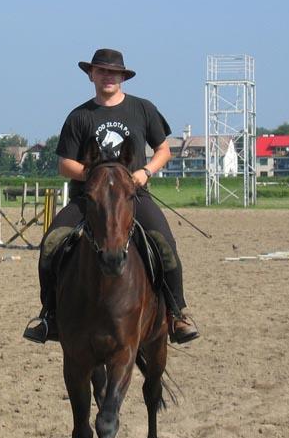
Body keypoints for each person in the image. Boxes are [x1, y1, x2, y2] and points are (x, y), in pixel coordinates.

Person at [23, 48, 200, 345]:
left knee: (165, 243)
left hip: (133, 197)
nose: (108, 77)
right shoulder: (80, 116)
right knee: (52, 243)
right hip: (88, 200)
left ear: (122, 77)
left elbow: (164, 150)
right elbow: (64, 164)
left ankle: (177, 313)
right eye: (102, 71)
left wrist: (145, 172)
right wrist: (93, 177)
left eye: (113, 72)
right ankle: (49, 315)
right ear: (91, 75)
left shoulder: (142, 109)